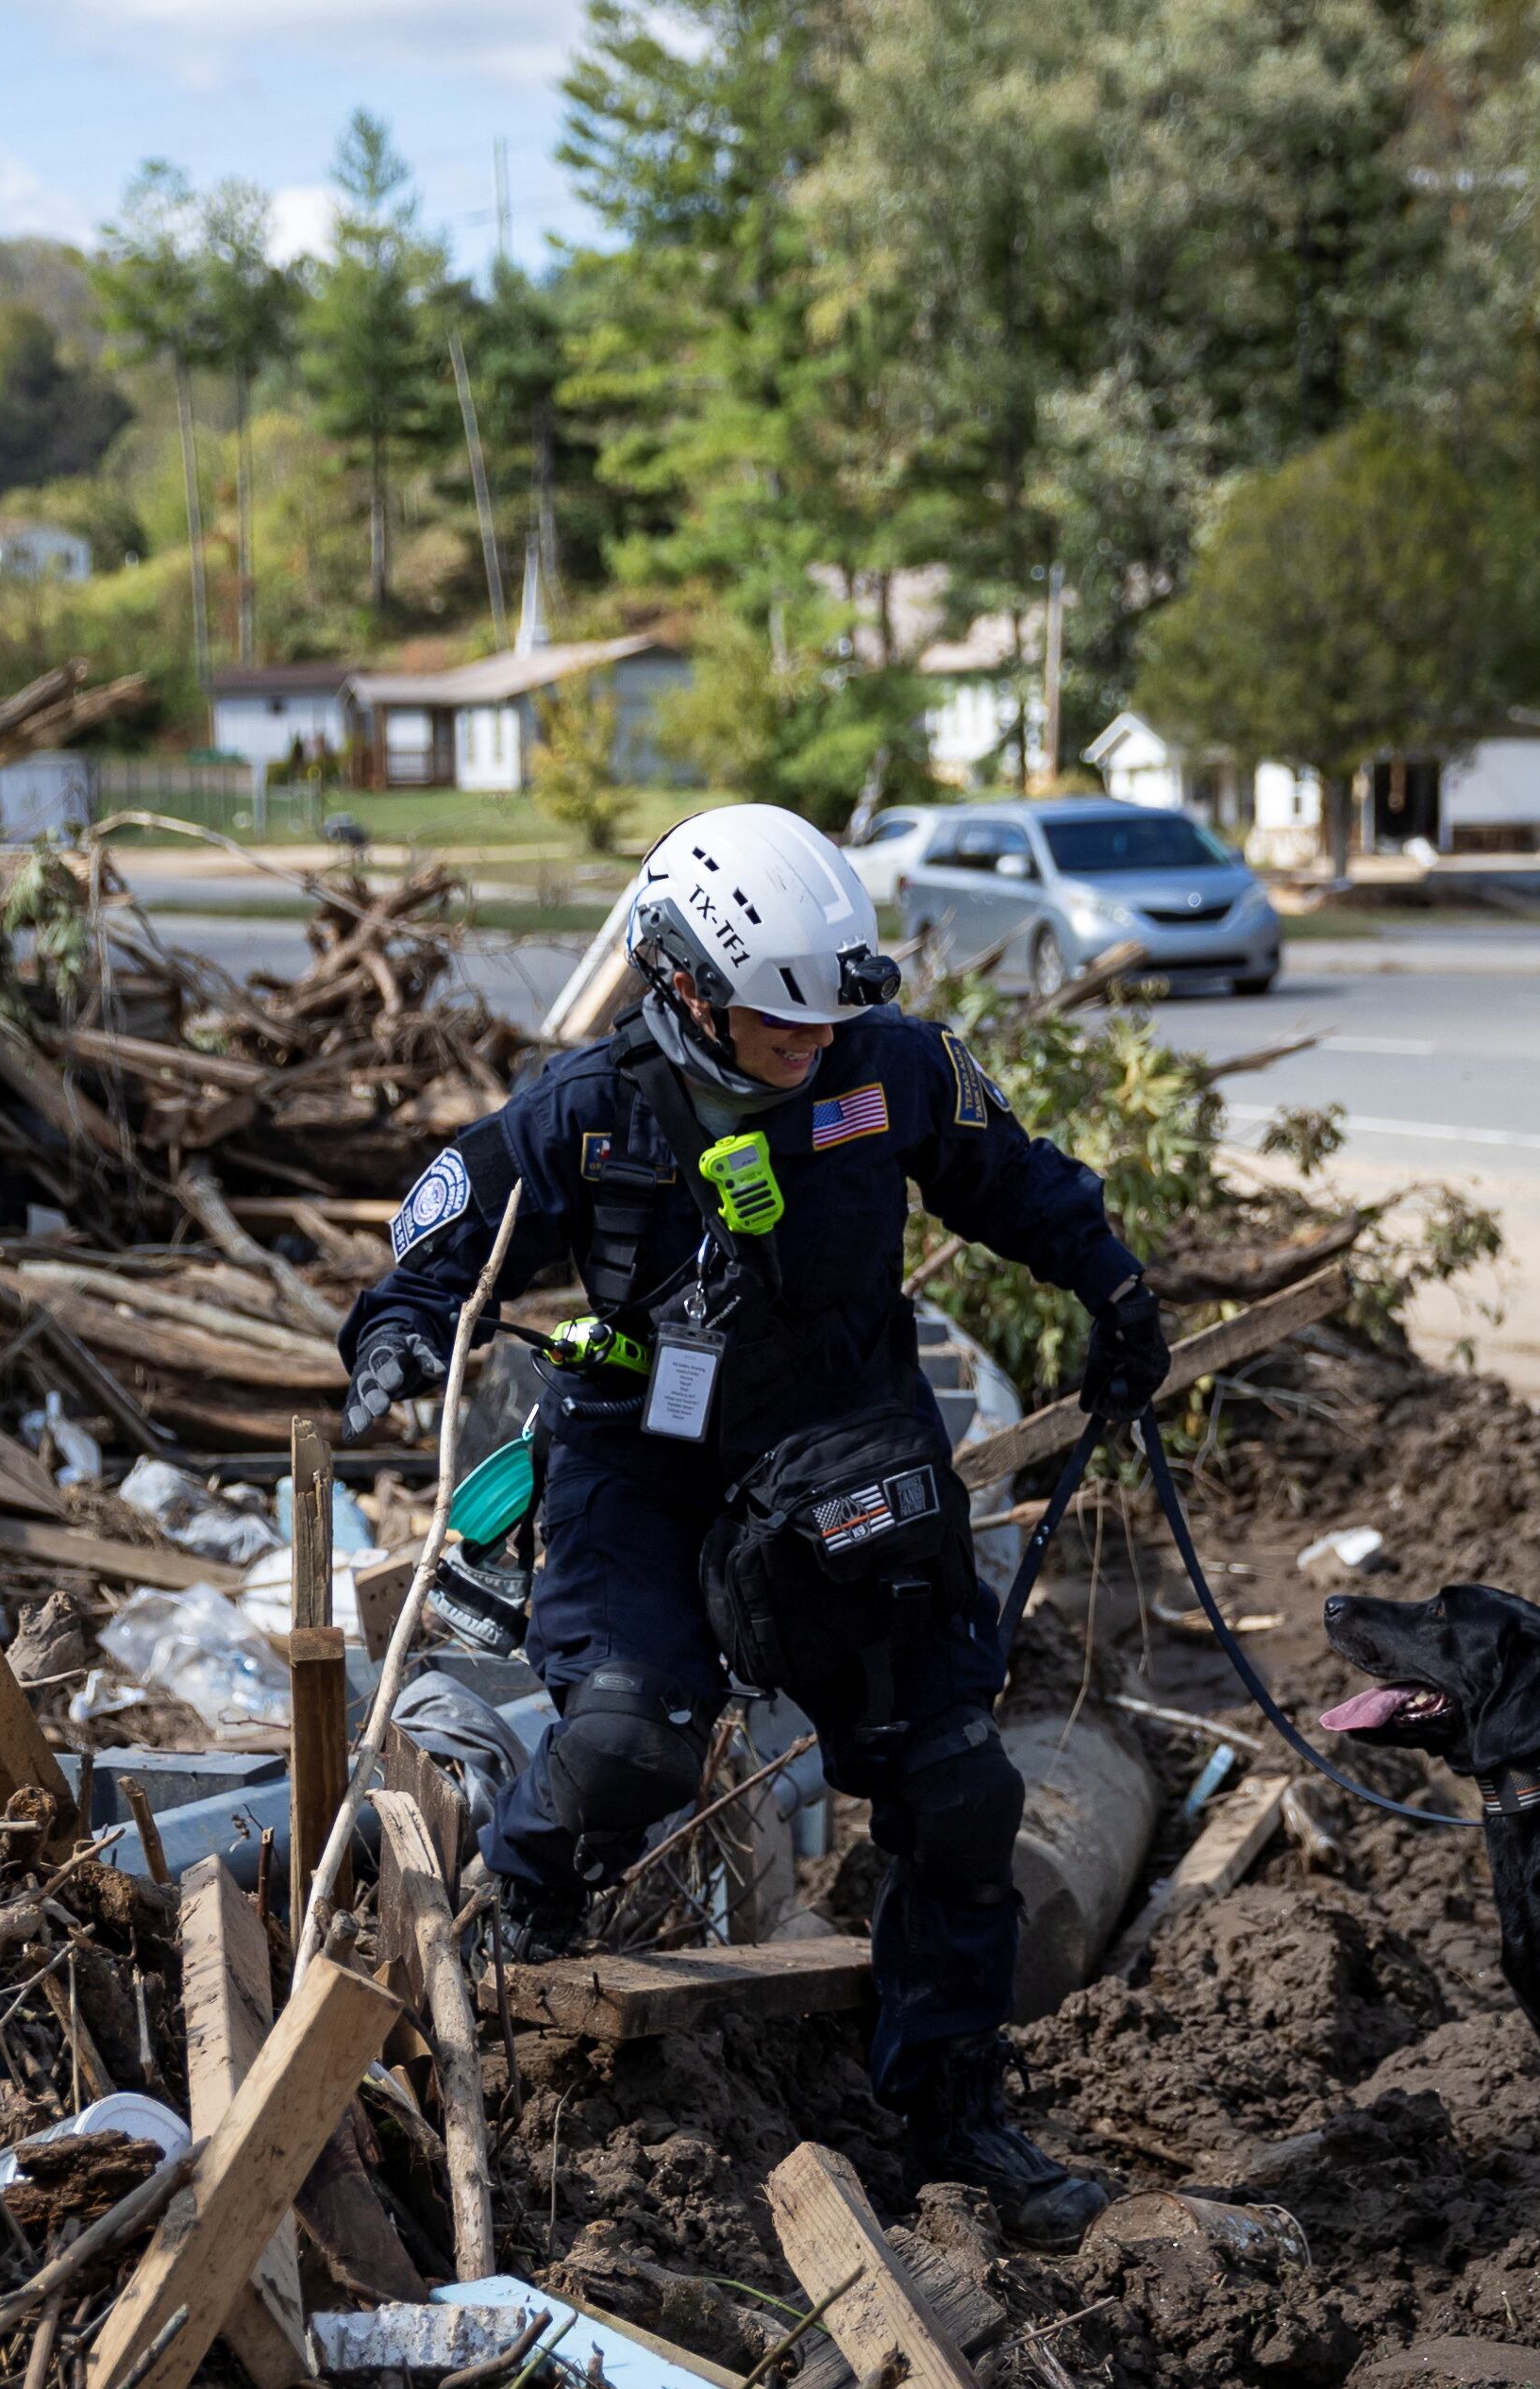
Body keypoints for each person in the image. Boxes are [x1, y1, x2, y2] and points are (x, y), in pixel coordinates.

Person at [340, 802, 1166, 2246]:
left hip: (844, 1451)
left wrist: (1111, 1287)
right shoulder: (585, 1112)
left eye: (822, 1027)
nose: (808, 1051)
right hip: (642, 1461)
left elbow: (1013, 1178)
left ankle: (950, 2112)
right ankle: (524, 1895)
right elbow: (431, 1243)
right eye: (774, 1028)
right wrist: (397, 1337)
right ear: (677, 984)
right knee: (621, 1737)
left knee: (957, 1789)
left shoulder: (879, 1065)